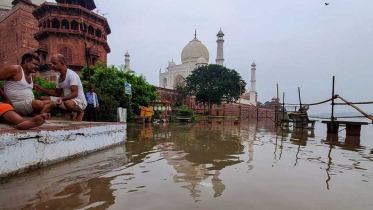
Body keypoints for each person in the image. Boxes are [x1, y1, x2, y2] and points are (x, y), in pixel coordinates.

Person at [33, 54, 87, 121]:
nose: (52, 66)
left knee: (68, 103)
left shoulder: (71, 75)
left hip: (79, 102)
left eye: (55, 63)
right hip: (66, 100)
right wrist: (41, 90)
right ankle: (67, 112)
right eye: (52, 63)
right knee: (43, 99)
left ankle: (80, 112)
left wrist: (62, 98)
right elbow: (57, 94)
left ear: (62, 63)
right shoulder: (59, 78)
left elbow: (75, 93)